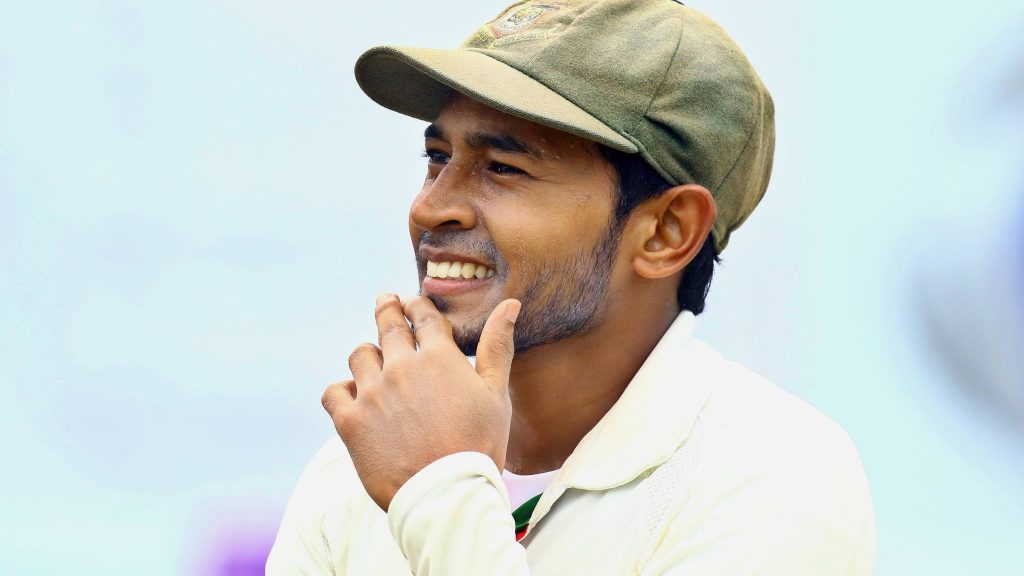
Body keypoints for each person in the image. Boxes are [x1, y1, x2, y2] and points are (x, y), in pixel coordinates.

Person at [267, 1, 875, 574]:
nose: (430, 208)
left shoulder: (776, 468)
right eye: (437, 156)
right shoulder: (363, 463)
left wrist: (438, 492)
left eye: (503, 167)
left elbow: (434, 486)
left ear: (666, 232)